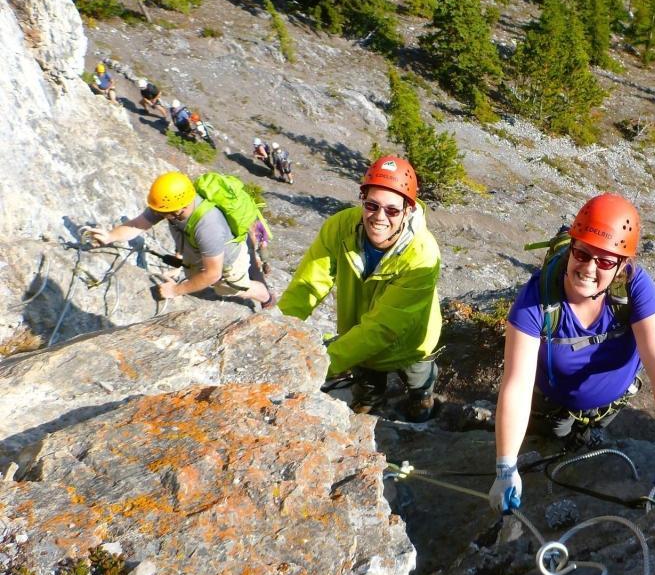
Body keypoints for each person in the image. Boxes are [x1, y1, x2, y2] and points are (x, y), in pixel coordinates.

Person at [489, 193, 655, 513]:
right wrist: (506, 467)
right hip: (554, 402)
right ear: (571, 247)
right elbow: (517, 384)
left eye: (604, 261)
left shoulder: (634, 288)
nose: (589, 268)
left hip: (612, 401)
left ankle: (590, 433)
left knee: (590, 437)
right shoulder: (537, 299)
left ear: (620, 266)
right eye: (582, 253)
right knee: (550, 440)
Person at [278, 155, 442, 422]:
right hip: (358, 339)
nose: (379, 217)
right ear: (362, 200)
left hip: (411, 343)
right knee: (367, 390)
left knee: (419, 384)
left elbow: (383, 328)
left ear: (408, 211)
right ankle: (366, 411)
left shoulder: (422, 254)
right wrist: (278, 330)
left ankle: (421, 408)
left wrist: (321, 364)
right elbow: (308, 285)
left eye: (392, 210)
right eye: (372, 205)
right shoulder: (340, 227)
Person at [84, 171, 274, 309]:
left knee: (232, 288)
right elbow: (138, 224)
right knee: (196, 276)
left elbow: (212, 274)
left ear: (179, 209)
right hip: (199, 250)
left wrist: (175, 290)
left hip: (227, 262)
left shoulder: (209, 226)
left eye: (162, 212)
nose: (157, 214)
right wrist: (110, 236)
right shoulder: (170, 206)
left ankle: (266, 297)